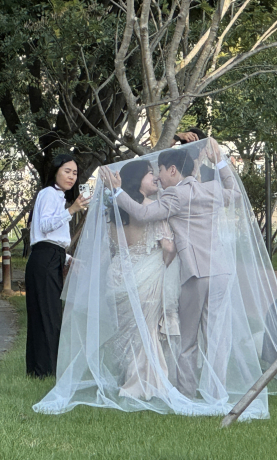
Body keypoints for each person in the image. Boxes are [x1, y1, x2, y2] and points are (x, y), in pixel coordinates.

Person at [34, 139, 277, 418]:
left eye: (160, 171)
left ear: (173, 171)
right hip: (222, 271)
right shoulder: (212, 188)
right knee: (216, 338)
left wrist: (116, 190)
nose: (158, 177)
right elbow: (234, 192)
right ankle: (216, 394)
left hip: (196, 274)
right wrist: (222, 161)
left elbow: (142, 215)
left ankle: (185, 395)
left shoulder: (174, 197)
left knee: (186, 342)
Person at [107, 160, 181, 400]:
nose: (155, 178)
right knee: (145, 330)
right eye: (150, 174)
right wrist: (165, 263)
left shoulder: (114, 210)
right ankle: (142, 382)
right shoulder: (153, 208)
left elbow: (112, 245)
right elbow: (168, 246)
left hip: (118, 273)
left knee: (127, 331)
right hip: (145, 274)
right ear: (138, 179)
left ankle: (127, 377)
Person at [25, 154, 89, 378]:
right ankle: (44, 370)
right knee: (47, 315)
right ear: (55, 172)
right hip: (45, 259)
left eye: (74, 173)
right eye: (67, 171)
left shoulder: (58, 197)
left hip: (51, 256)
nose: (71, 176)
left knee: (49, 314)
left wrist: (70, 260)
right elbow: (44, 227)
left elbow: (54, 240)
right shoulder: (48, 194)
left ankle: (41, 368)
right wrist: (72, 210)